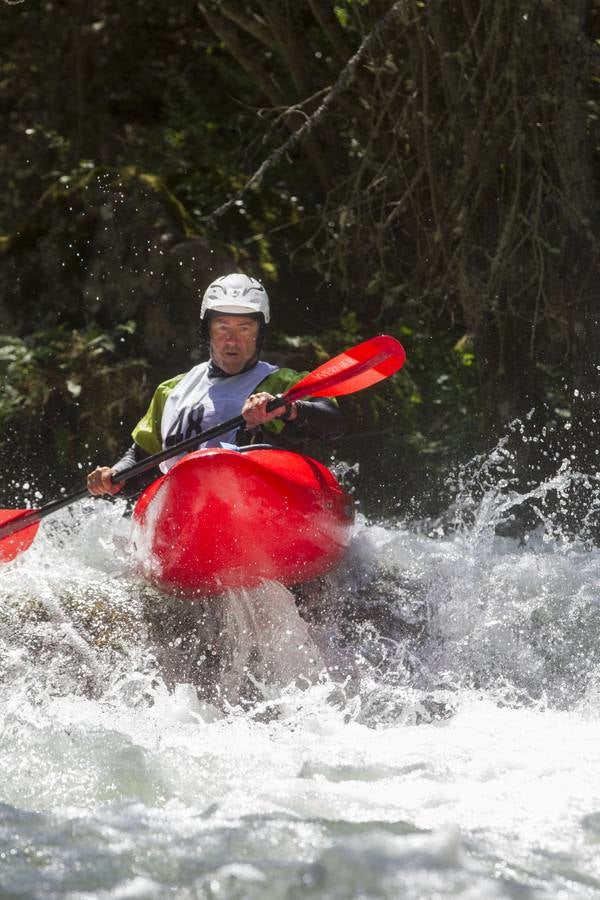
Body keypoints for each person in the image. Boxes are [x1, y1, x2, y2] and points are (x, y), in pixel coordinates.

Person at [87, 273, 342, 496]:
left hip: (255, 499)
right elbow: (141, 456)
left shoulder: (282, 383)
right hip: (184, 509)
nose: (232, 340)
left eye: (244, 328)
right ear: (206, 331)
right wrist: (114, 475)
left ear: (259, 333)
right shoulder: (171, 391)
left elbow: (332, 422)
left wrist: (287, 409)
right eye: (222, 327)